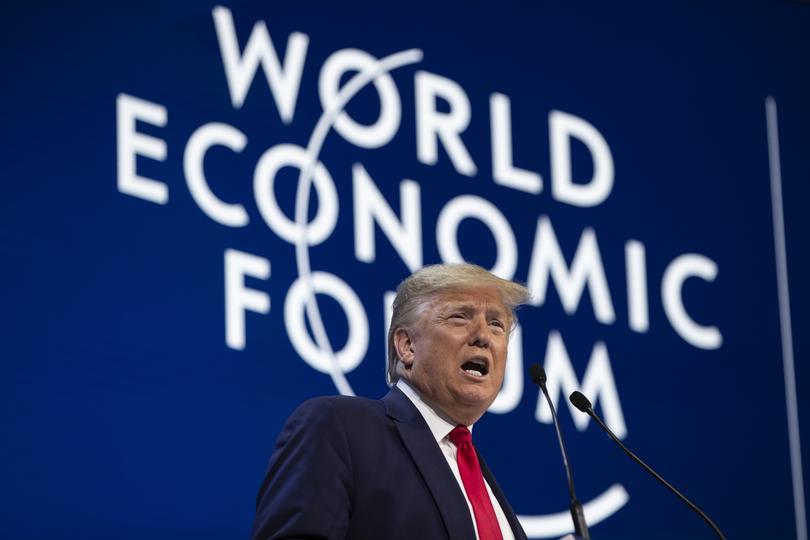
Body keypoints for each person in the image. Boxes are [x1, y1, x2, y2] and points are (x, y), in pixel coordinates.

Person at [251, 263, 530, 540]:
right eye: (460, 317)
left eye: (496, 324)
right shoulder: (340, 428)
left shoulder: (481, 481)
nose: (483, 336)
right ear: (407, 346)